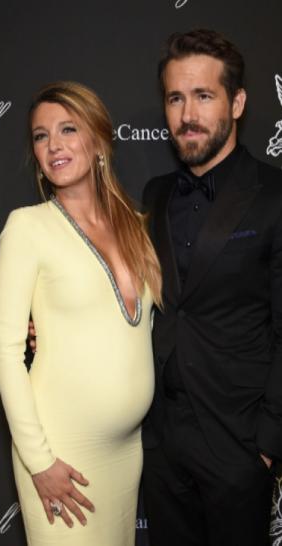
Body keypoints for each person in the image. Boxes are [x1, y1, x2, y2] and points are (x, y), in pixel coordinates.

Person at [0, 81, 160, 545]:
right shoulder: (28, 226)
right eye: (41, 135)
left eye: (68, 129)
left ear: (99, 139)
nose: (54, 145)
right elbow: (5, 352)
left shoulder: (137, 227)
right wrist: (39, 461)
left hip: (126, 451)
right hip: (60, 451)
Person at [141, 29, 282, 546]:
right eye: (175, 98)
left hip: (238, 439)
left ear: (237, 103)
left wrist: (266, 443)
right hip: (161, 440)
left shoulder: (275, 195)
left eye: (203, 96)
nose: (187, 114)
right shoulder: (155, 195)